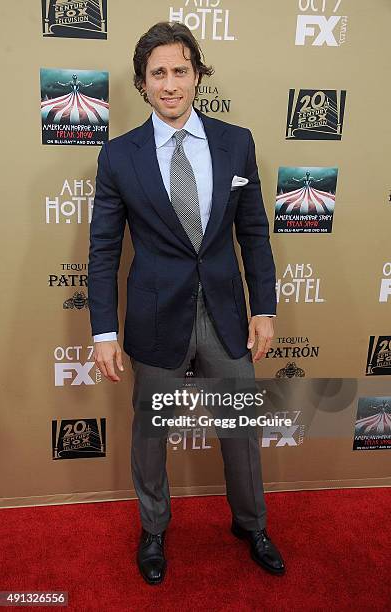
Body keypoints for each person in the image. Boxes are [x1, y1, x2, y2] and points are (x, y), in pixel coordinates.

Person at [88, 21, 285, 585]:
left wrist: (264, 306)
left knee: (241, 434)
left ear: (196, 75)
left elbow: (254, 233)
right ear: (142, 83)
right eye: (158, 74)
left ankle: (251, 524)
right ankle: (154, 530)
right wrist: (104, 332)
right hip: (155, 317)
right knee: (151, 439)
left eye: (180, 70)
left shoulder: (236, 142)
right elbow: (102, 251)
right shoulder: (118, 158)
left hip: (224, 314)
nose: (170, 84)